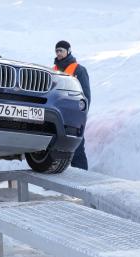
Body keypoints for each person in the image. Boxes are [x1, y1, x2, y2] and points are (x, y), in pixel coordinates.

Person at [53, 40, 90, 170]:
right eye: (57, 51)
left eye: (61, 51)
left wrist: (81, 116)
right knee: (56, 150)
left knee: (77, 149)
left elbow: (86, 96)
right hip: (57, 116)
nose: (59, 53)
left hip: (73, 116)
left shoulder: (79, 70)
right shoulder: (53, 71)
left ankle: (82, 180)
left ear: (68, 51)